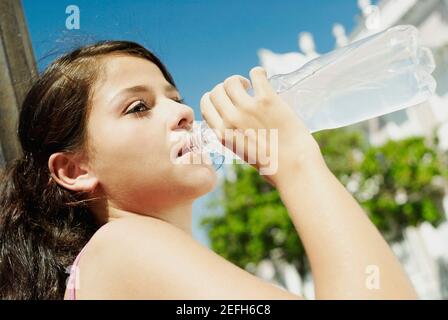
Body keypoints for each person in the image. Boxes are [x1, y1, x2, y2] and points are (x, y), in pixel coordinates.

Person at [0, 41, 417, 300]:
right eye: (138, 107)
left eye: (175, 97)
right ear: (74, 169)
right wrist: (294, 161)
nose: (183, 112)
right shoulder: (121, 247)